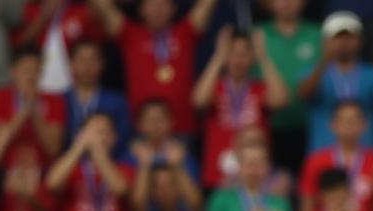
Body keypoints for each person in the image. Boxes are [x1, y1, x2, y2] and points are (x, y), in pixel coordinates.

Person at [89, 0, 220, 137]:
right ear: (141, 10)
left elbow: (207, 4)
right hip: (141, 134)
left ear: (173, 9)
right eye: (151, 5)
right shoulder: (129, 34)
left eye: (163, 4)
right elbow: (101, 5)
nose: (157, 10)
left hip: (183, 131)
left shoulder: (186, 32)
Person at [192, 27, 289, 190]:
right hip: (217, 174)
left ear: (252, 58)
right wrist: (218, 57)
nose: (238, 60)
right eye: (232, 53)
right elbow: (198, 100)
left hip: (256, 175)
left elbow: (281, 99)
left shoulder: (260, 88)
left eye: (244, 54)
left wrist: (263, 57)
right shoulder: (215, 88)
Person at [299, 11, 373, 152]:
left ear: (361, 41)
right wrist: (324, 60)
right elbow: (303, 94)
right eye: (338, 38)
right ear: (325, 41)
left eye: (350, 37)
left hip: (366, 152)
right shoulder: (312, 72)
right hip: (324, 151)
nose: (344, 43)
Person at [259, 0, 322, 173]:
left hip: (309, 127)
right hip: (268, 128)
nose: (286, 3)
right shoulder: (258, 35)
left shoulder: (318, 35)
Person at [298, 100, 373, 211]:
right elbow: (307, 209)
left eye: (354, 120)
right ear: (333, 124)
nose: (349, 124)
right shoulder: (315, 161)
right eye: (344, 120)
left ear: (365, 124)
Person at [0, 45, 65, 170]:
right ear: (13, 72)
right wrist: (24, 111)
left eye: (36, 71)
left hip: (42, 170)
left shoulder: (54, 101)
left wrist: (35, 112)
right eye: (26, 70)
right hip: (6, 169)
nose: (31, 77)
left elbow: (53, 149)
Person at [64, 38, 130, 153]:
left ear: (102, 64)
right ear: (71, 63)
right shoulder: (61, 100)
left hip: (109, 161)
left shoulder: (117, 101)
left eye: (92, 60)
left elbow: (123, 138)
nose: (87, 66)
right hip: (70, 164)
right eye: (82, 60)